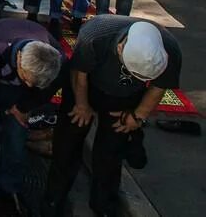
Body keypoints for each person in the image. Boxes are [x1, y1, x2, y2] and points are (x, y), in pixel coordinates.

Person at [43, 17, 181, 217]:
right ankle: (54, 198)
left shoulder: (170, 49)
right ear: (120, 48)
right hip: (86, 86)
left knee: (111, 150)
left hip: (125, 98)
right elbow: (78, 73)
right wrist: (82, 105)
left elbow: (160, 86)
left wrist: (138, 116)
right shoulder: (95, 35)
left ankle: (104, 203)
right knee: (67, 143)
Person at [0, 18, 65, 215]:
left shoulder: (57, 60)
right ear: (18, 59)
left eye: (35, 83)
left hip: (22, 91)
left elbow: (46, 89)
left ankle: (10, 188)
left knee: (17, 132)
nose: (29, 85)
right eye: (26, 79)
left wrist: (23, 106)